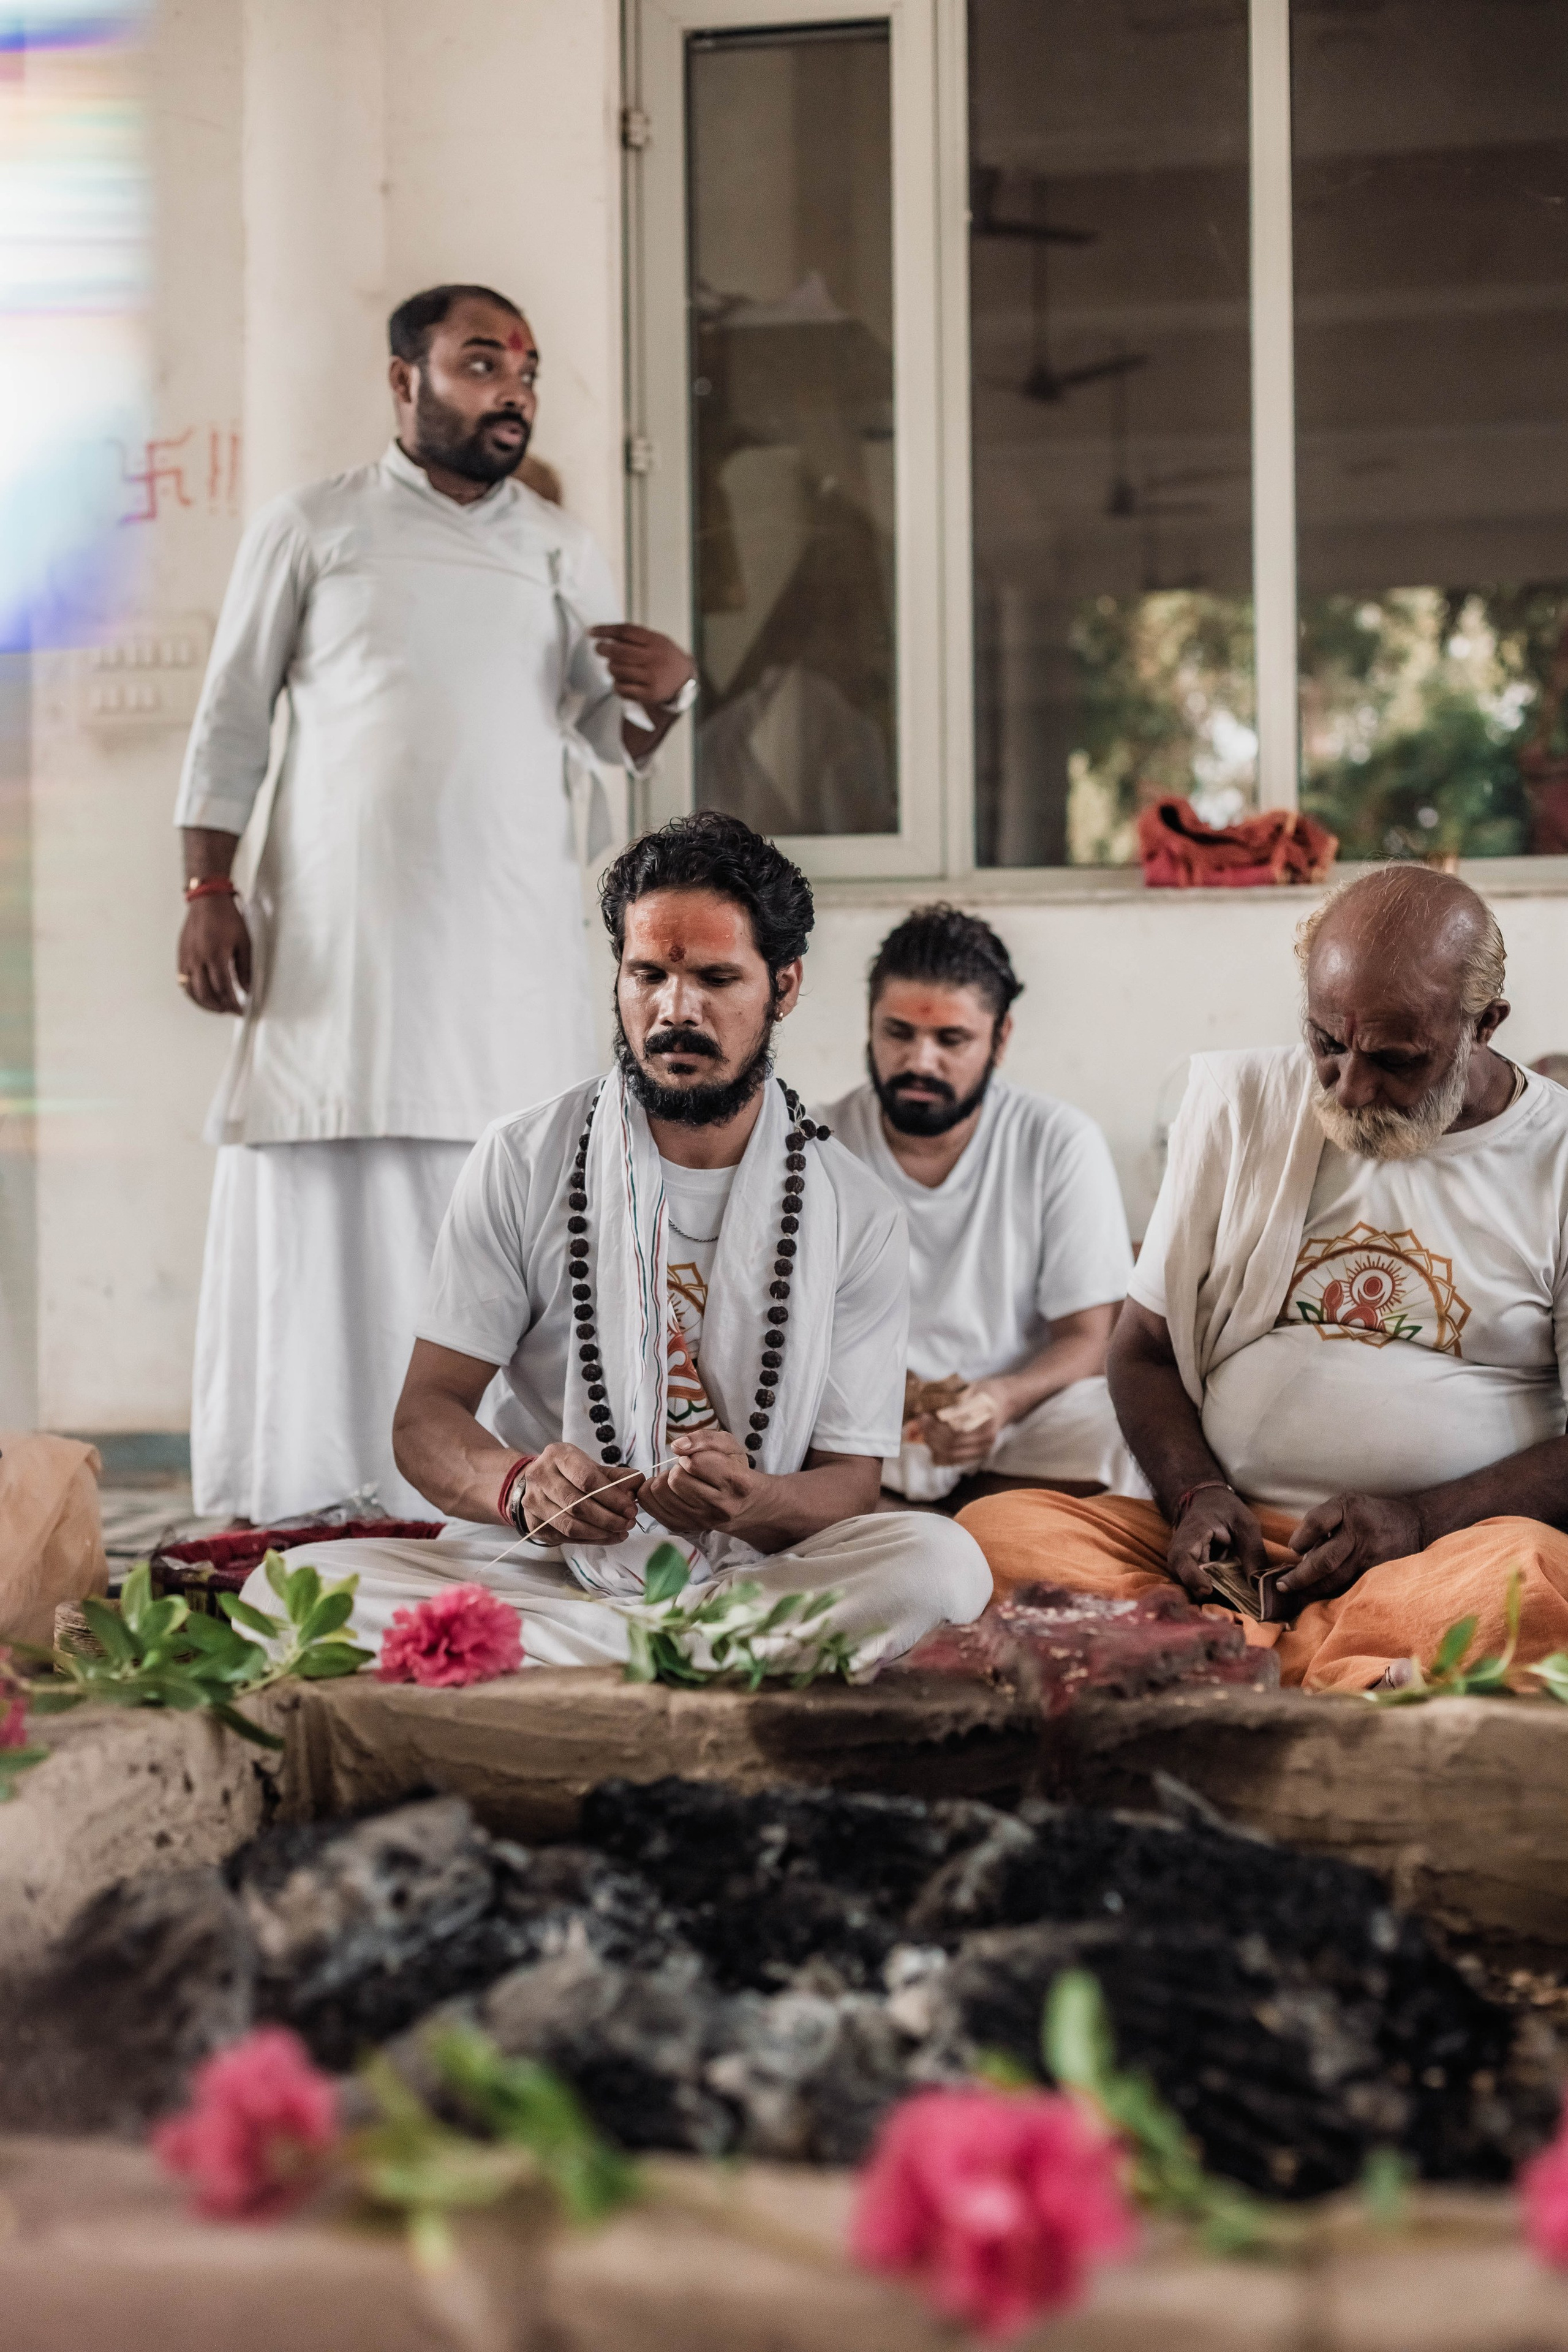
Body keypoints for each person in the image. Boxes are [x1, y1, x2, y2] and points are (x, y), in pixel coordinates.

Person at [175, 284, 698, 1523]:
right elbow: (231, 719)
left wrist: (664, 699)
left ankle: (508, 1496)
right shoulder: (313, 526)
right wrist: (207, 885)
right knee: (322, 1198)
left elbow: (598, 736)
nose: (513, 387)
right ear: (403, 381)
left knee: (506, 1196)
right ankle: (294, 1500)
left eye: (525, 368)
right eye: (480, 363)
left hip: (505, 947)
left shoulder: (560, 546)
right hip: (335, 960)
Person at [239, 815, 992, 1668]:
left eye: (715, 978)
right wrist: (518, 1486)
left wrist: (751, 1501)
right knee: (284, 1593)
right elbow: (426, 1418)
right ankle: (701, 1653)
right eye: (649, 975)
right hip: (543, 1566)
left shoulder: (854, 1209)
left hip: (754, 1571)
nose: (676, 1010)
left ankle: (594, 1651)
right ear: (619, 978)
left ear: (784, 987)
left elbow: (849, 1487)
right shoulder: (523, 1159)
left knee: (943, 1562)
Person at [959, 865, 1568, 1693]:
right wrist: (1196, 1496)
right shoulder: (1242, 1105)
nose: (1351, 1088)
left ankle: (1205, 1654)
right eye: (1327, 1043)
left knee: (1534, 1587)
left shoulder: (1559, 1158)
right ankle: (1315, 1659)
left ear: (1484, 1026)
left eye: (1395, 1059)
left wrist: (1421, 1520)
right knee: (986, 1540)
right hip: (1221, 1546)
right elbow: (1141, 1351)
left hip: (1442, 1554)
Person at [820, 906, 1140, 1503]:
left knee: (1126, 1425)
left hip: (1016, 1428)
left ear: (1000, 1039)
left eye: (951, 1039)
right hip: (860, 1434)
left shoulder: (1057, 1140)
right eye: (898, 1033)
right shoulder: (814, 1144)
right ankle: (959, 1524)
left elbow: (1091, 1337)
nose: (920, 1062)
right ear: (869, 1025)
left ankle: (965, 1516)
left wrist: (1002, 1399)